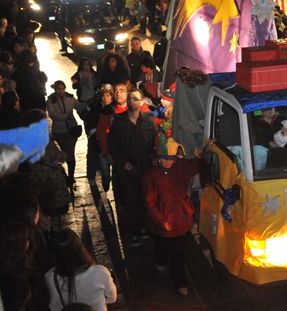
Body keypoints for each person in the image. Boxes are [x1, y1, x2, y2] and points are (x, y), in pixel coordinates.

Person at [143, 145, 198, 297]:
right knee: (163, 245)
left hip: (180, 218)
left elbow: (196, 165)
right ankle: (160, 260)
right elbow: (150, 202)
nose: (166, 162)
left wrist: (201, 154)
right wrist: (162, 220)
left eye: (170, 159)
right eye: (163, 159)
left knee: (179, 253)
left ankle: (180, 282)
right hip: (163, 221)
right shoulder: (152, 176)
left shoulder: (182, 168)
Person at [108, 88, 157, 246]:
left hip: (146, 167)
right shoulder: (119, 121)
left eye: (135, 99)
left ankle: (146, 229)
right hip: (128, 169)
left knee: (146, 199)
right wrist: (123, 162)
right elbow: (113, 145)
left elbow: (155, 141)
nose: (131, 101)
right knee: (131, 201)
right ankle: (134, 232)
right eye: (130, 98)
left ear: (142, 102)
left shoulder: (148, 119)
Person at [45, 228, 117, 311]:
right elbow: (112, 298)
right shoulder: (99, 272)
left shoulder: (51, 277)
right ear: (80, 247)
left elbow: (55, 307)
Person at [46, 80, 79, 187]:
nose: (61, 91)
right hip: (59, 131)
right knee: (64, 153)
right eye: (58, 89)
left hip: (71, 129)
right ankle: (66, 176)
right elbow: (52, 115)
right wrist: (66, 116)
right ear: (55, 89)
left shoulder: (70, 98)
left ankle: (71, 176)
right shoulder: (51, 100)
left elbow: (79, 106)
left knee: (70, 152)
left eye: (62, 88)